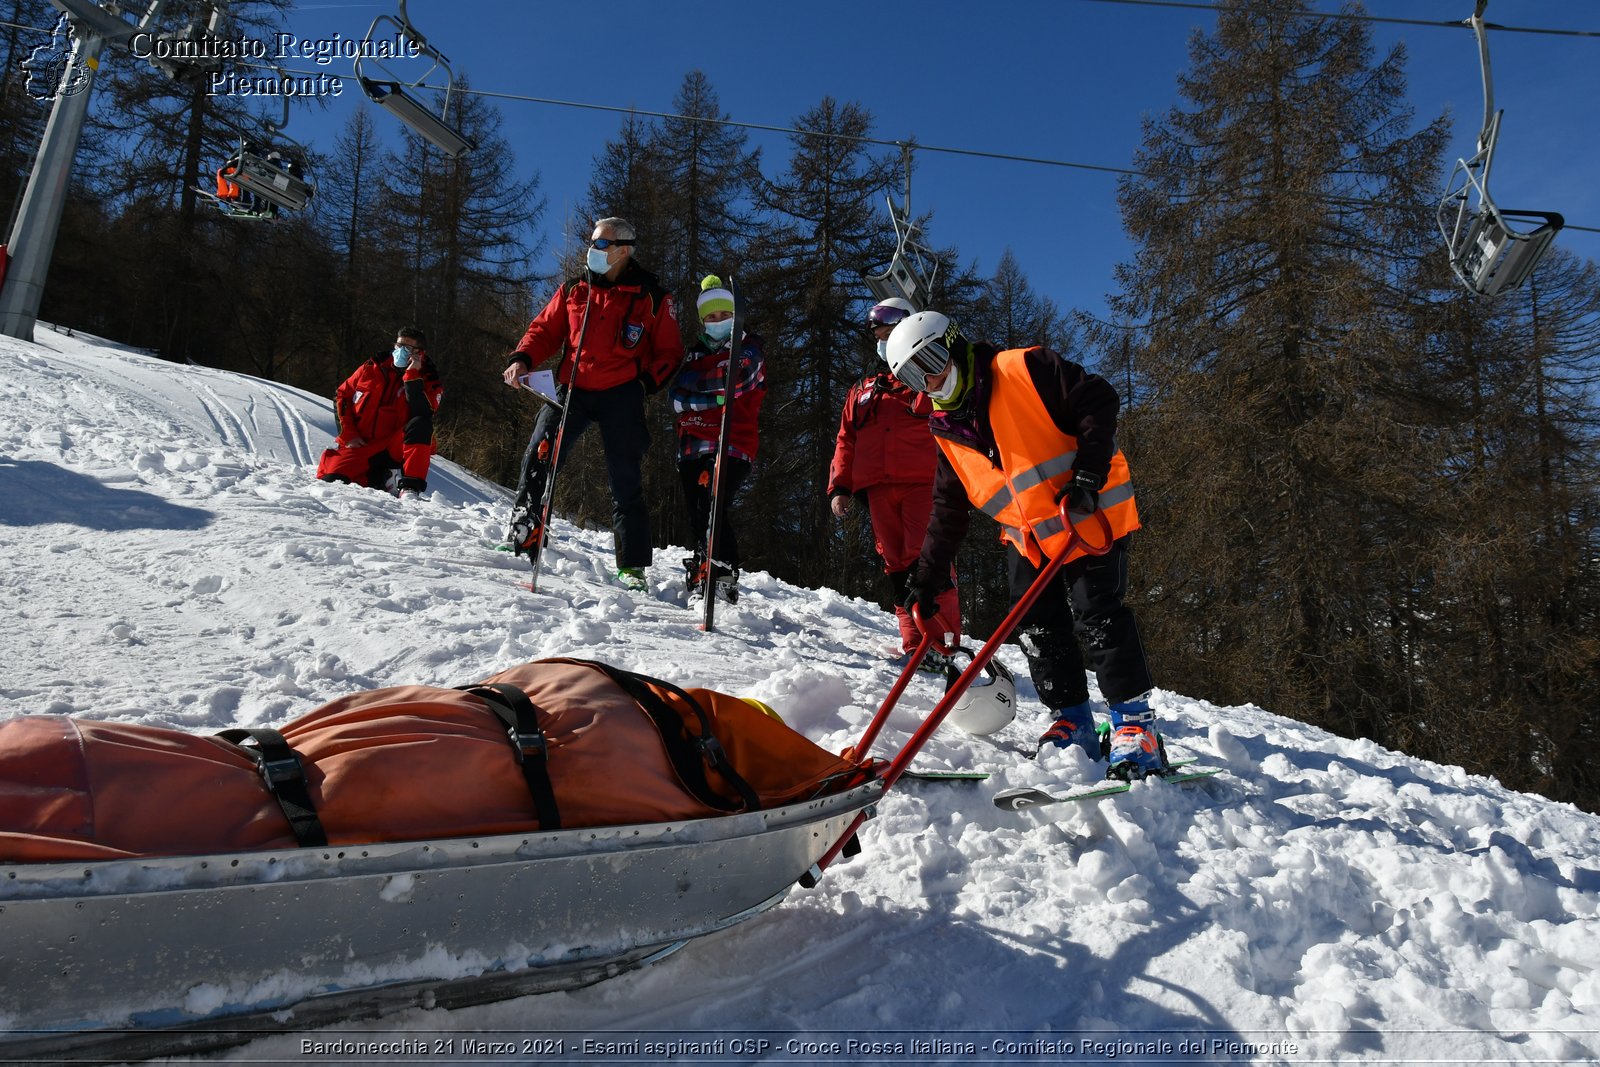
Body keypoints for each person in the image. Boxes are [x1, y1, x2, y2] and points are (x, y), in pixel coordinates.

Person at [886, 310, 1161, 780]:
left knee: (1098, 614)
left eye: (930, 359)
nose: (928, 379)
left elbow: (1098, 398)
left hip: (1085, 516)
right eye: (912, 374)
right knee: (1037, 624)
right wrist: (927, 578)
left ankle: (1136, 727)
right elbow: (948, 509)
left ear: (954, 344)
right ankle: (1071, 718)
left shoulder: (1023, 368)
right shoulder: (946, 428)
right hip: (1030, 537)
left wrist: (1089, 473)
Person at [501, 217, 684, 591]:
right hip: (571, 388)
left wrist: (644, 385)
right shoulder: (574, 288)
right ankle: (524, 534)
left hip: (622, 393)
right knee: (540, 452)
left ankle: (632, 566)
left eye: (601, 244)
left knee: (625, 477)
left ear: (623, 250)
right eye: (592, 242)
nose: (592, 250)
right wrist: (522, 358)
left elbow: (669, 351)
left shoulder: (652, 295)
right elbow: (545, 329)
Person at [828, 297, 961, 668]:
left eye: (892, 334)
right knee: (897, 565)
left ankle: (942, 643)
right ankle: (913, 645)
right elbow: (846, 438)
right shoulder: (862, 388)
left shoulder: (927, 375)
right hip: (877, 488)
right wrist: (840, 486)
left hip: (923, 481)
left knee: (928, 559)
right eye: (879, 336)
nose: (884, 342)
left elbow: (950, 414)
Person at [671, 275, 766, 604]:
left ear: (734, 317)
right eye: (710, 318)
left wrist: (701, 387)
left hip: (731, 442)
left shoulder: (749, 349)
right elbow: (676, 395)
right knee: (697, 508)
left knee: (714, 503)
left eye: (723, 316)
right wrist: (711, 396)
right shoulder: (694, 354)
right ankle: (704, 562)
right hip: (691, 443)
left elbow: (734, 381)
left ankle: (723, 571)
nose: (716, 322)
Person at [316, 326, 443, 497]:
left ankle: (409, 486)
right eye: (399, 346)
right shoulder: (372, 366)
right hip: (363, 443)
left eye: (408, 349)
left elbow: (423, 412)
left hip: (396, 446)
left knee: (421, 424)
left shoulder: (430, 379)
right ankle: (381, 478)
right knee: (333, 482)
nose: (401, 352)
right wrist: (349, 433)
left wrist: (412, 375)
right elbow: (342, 395)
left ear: (420, 353)